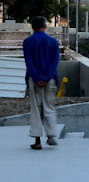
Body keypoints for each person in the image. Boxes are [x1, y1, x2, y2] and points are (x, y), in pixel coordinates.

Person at [23, 16, 60, 150]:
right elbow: (54, 63)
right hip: (50, 80)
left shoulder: (28, 42)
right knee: (49, 107)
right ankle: (51, 136)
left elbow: (29, 62)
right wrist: (46, 78)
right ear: (45, 27)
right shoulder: (53, 42)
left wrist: (37, 77)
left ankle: (37, 141)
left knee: (36, 109)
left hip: (34, 80)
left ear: (32, 27)